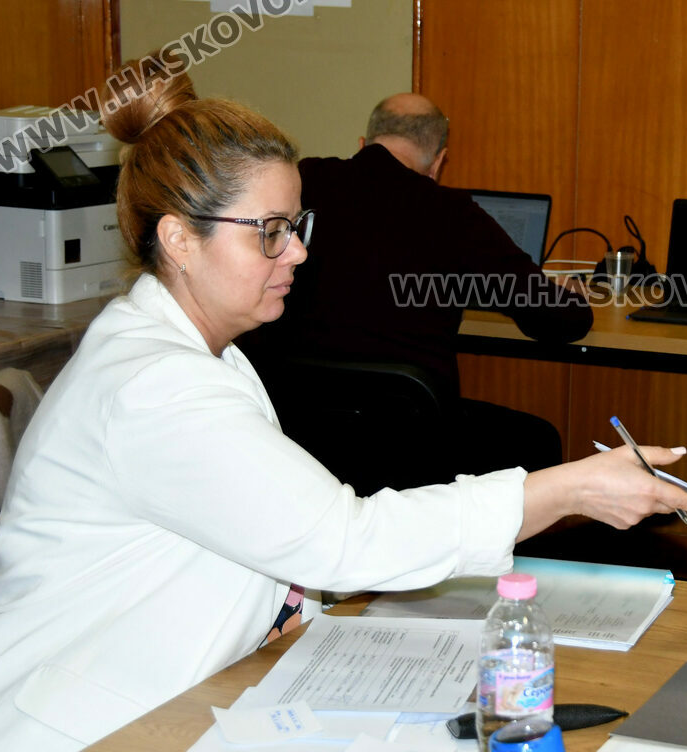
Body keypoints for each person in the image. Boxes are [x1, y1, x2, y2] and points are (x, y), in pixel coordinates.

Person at [0, 58, 687, 751]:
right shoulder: (154, 387)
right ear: (180, 240)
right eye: (271, 233)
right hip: (80, 726)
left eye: (298, 227)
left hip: (166, 692)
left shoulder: (194, 352)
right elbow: (342, 540)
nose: (298, 252)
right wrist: (571, 487)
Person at [241, 93, 590, 491]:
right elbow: (564, 321)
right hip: (413, 444)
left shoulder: (300, 183)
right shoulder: (453, 214)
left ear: (363, 144)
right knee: (538, 439)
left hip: (293, 430)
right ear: (439, 161)